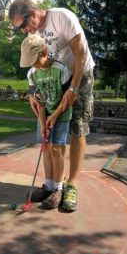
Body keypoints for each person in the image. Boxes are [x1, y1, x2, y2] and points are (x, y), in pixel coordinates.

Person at [9, 0, 95, 212]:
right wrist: (32, 92)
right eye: (19, 28)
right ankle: (52, 185)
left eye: (22, 25)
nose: (24, 31)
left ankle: (71, 185)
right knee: (51, 139)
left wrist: (73, 89)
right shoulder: (32, 34)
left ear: (33, 13)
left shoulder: (61, 17)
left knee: (77, 127)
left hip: (79, 75)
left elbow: (81, 53)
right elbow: (34, 68)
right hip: (53, 81)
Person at [20, 35, 72, 209]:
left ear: (45, 52)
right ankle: (48, 186)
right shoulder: (32, 74)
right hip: (46, 112)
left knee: (56, 149)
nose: (33, 65)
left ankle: (58, 189)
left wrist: (55, 116)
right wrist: (43, 124)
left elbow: (68, 99)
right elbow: (40, 103)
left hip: (62, 113)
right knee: (46, 148)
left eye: (35, 60)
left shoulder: (61, 70)